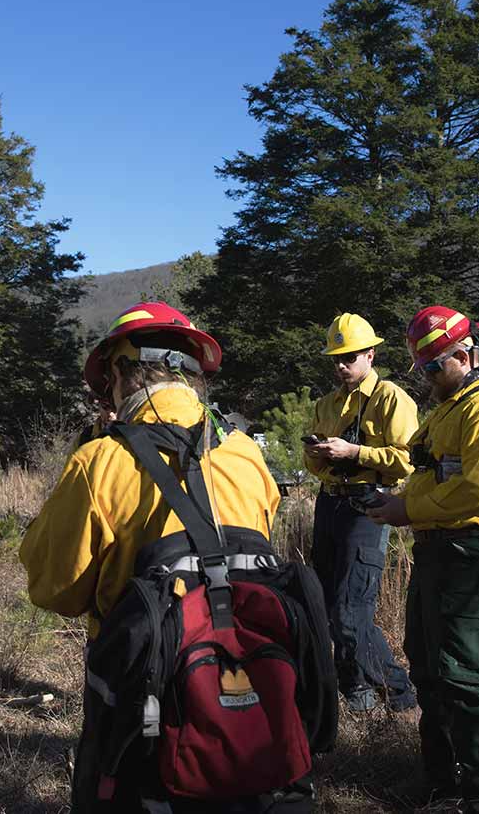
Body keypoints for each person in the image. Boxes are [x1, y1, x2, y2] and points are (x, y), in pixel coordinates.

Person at [20, 301, 285, 812]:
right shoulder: (248, 454)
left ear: (122, 371)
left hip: (138, 697)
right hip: (245, 681)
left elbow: (54, 589)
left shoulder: (100, 459)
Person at [368, 306, 479, 814]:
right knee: (429, 671)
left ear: (464, 355)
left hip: (471, 554)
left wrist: (406, 509)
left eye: (435, 367)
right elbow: (425, 464)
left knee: (467, 679)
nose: (428, 377)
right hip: (435, 552)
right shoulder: (448, 408)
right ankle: (441, 784)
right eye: (423, 369)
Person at [303, 312, 418, 712]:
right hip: (329, 502)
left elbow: (406, 461)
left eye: (349, 356)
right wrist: (320, 454)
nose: (341, 364)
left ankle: (400, 695)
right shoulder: (327, 403)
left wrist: (355, 453)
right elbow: (313, 464)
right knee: (328, 605)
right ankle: (357, 692)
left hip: (367, 508)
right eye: (336, 357)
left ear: (371, 354)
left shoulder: (390, 398)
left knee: (352, 612)